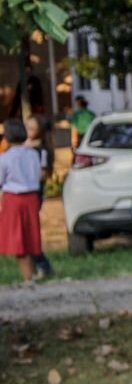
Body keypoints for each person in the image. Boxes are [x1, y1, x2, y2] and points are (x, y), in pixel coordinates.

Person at [0, 119, 44, 283]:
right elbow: (38, 174)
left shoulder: (5, 158)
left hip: (14, 198)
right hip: (32, 197)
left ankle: (27, 277)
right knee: (30, 236)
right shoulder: (33, 154)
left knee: (18, 239)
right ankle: (32, 273)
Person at [23, 117, 53, 279]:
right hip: (23, 194)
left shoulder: (41, 151)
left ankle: (42, 265)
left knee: (29, 232)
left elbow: (42, 174)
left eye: (31, 128)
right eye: (26, 127)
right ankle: (33, 267)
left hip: (32, 194)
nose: (27, 131)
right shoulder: (21, 147)